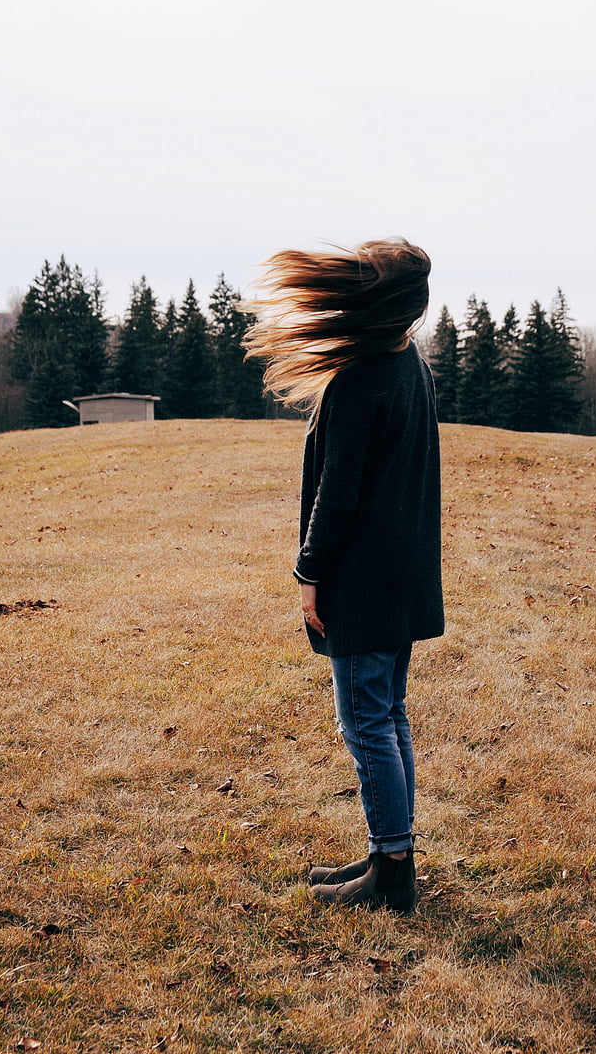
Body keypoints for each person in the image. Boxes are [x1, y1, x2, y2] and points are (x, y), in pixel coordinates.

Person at [244, 238, 444, 914]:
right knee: (388, 715)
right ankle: (390, 856)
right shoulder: (407, 365)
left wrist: (309, 572)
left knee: (366, 723)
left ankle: (391, 877)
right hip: (400, 577)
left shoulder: (362, 379)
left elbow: (339, 494)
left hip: (363, 581)